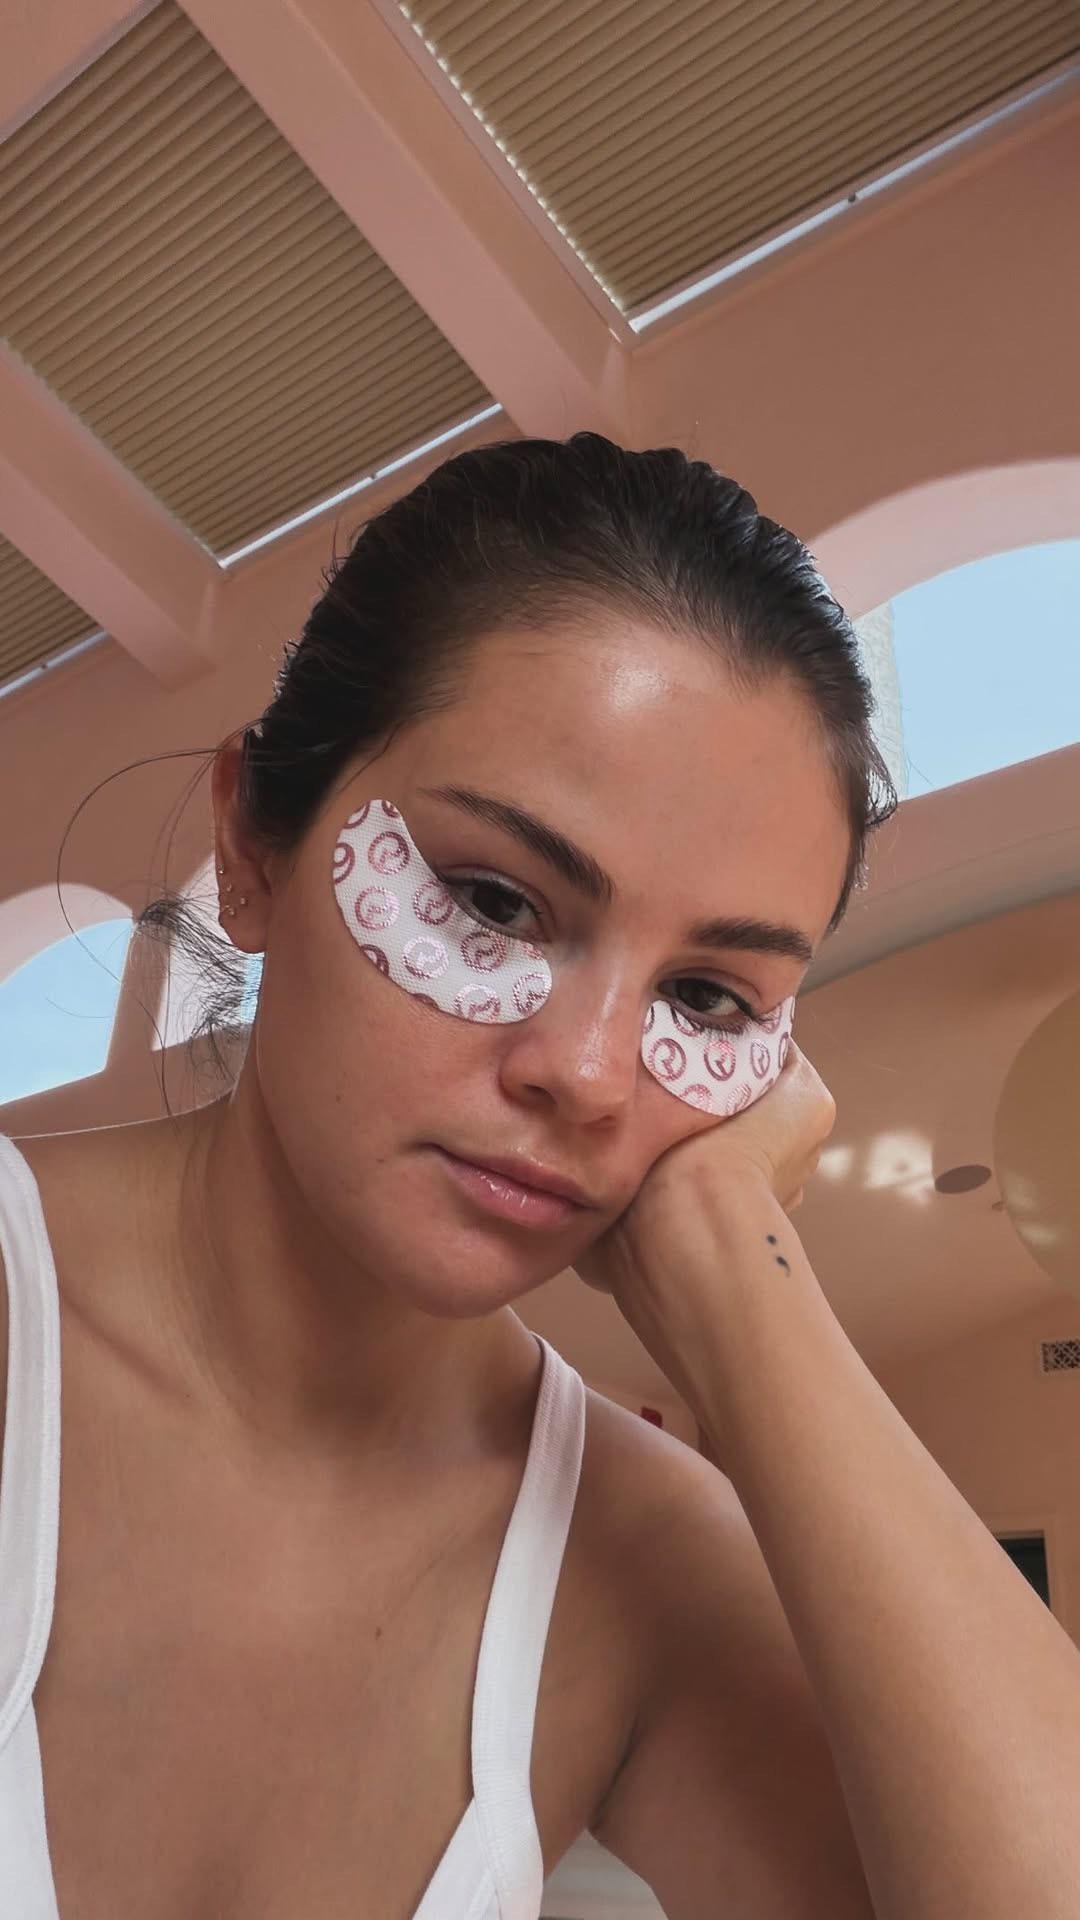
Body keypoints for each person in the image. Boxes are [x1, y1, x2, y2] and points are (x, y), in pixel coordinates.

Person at [0, 433, 1077, 1920]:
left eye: (707, 999)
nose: (589, 1073)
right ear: (251, 844)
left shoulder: (637, 1558)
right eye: (495, 901)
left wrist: (737, 1272)